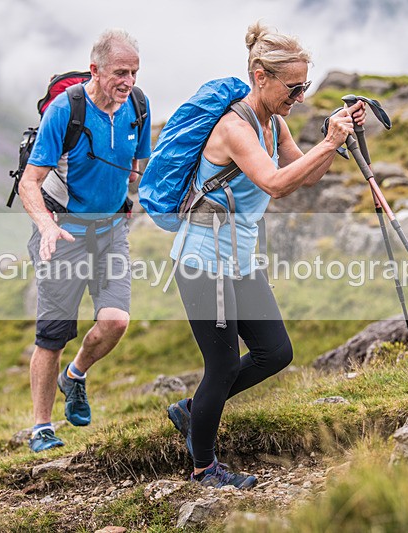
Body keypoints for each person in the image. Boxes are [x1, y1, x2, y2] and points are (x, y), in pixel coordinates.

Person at [165, 22, 366, 488]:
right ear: (261, 76)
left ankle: (192, 412)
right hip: (203, 260)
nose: (298, 96)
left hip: (239, 257)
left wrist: (330, 142)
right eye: (293, 87)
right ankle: (203, 468)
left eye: (305, 87)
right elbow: (274, 184)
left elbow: (304, 177)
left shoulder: (274, 123)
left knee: (275, 352)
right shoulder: (235, 128)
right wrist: (331, 142)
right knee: (220, 365)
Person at [19, 29, 151, 452]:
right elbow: (30, 182)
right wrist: (46, 226)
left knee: (115, 321)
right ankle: (41, 428)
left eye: (133, 72)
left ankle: (74, 375)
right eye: (119, 72)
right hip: (65, 232)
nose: (127, 80)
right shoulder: (67, 109)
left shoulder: (139, 106)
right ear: (94, 70)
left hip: (112, 232)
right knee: (52, 335)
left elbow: (137, 168)